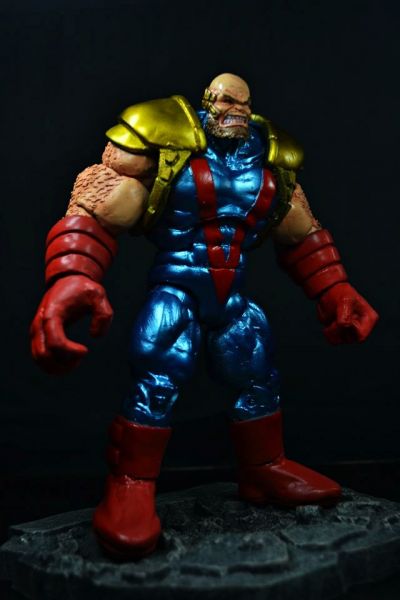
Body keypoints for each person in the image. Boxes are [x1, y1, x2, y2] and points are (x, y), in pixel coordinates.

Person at [30, 73, 378, 559]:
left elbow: (299, 230)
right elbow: (99, 206)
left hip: (233, 298)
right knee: (158, 382)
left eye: (243, 104)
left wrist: (335, 289)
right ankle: (130, 484)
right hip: (178, 289)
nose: (235, 112)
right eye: (226, 102)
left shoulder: (270, 156)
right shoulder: (164, 136)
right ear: (208, 102)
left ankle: (264, 468)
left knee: (257, 377)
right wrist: (71, 276)